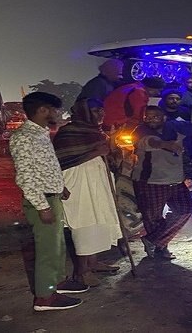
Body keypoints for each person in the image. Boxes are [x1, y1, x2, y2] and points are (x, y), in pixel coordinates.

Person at [10, 92, 88, 312]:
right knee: (47, 248)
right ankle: (45, 297)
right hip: (41, 200)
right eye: (53, 110)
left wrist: (59, 187)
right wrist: (42, 206)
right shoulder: (24, 137)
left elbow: (45, 167)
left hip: (50, 195)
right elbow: (25, 177)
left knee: (57, 245)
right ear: (43, 110)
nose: (56, 114)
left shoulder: (40, 134)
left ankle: (57, 283)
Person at [52, 98, 123, 287]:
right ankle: (81, 273)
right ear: (83, 112)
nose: (101, 114)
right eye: (95, 110)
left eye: (102, 110)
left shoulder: (97, 132)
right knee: (85, 224)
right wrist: (95, 152)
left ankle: (94, 263)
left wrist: (112, 143)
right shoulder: (68, 132)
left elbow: (110, 156)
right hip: (78, 184)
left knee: (99, 220)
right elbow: (61, 160)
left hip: (98, 181)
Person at [131, 106, 192, 260]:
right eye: (148, 116)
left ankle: (152, 241)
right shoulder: (140, 131)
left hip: (176, 180)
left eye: (156, 116)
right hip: (151, 180)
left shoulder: (176, 130)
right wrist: (166, 144)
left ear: (164, 117)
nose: (151, 119)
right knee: (153, 218)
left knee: (184, 210)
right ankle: (161, 249)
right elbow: (149, 142)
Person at [102, 77, 166, 131]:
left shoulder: (131, 87)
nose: (158, 93)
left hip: (107, 120)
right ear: (151, 88)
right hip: (115, 123)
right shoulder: (139, 92)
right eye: (158, 90)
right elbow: (138, 114)